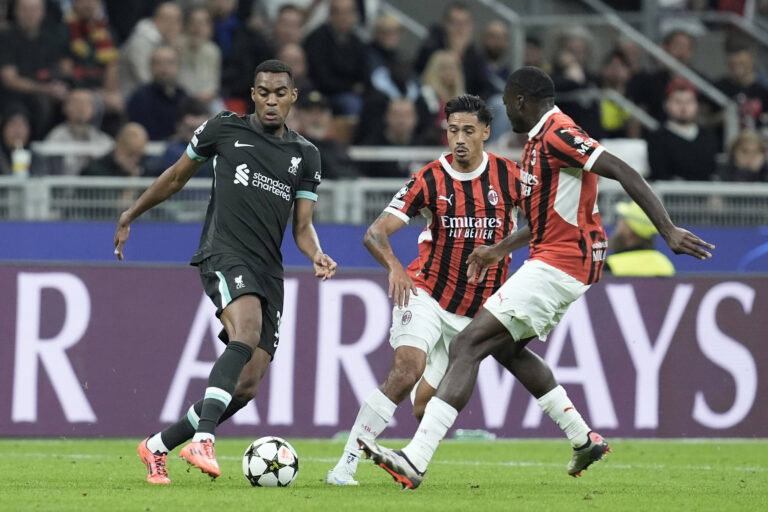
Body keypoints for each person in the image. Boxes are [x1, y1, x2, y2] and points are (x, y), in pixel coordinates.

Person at [359, 66, 715, 489]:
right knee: (508, 351)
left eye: (508, 103)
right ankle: (582, 438)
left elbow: (621, 169)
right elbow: (545, 217)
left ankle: (416, 459)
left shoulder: (559, 133)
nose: (507, 111)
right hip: (553, 258)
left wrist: (667, 229)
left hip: (563, 262)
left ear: (522, 101)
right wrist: (498, 249)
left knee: (467, 343)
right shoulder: (535, 143)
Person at [114, 59, 337, 484]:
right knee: (246, 330)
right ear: (253, 95)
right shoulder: (224, 129)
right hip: (224, 253)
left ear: (293, 97)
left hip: (268, 268)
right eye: (263, 92)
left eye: (279, 93)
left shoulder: (306, 155)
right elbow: (177, 176)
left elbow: (303, 226)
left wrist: (317, 254)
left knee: (247, 385)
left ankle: (156, 446)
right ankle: (204, 438)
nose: (271, 101)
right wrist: (132, 212)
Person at [647, 79, 718, 181]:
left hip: (704, 194)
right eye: (678, 102)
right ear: (666, 105)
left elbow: (712, 171)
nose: (684, 107)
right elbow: (660, 174)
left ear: (696, 105)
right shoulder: (658, 137)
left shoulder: (708, 136)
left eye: (689, 101)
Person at [44, 88, 113, 175]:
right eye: (76, 103)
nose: (81, 107)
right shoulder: (55, 137)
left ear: (93, 109)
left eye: (87, 103)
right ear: (65, 108)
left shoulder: (104, 140)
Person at [126, 45, 189, 140]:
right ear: (150, 67)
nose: (164, 68)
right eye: (158, 63)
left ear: (178, 66)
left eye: (170, 63)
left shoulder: (184, 95)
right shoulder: (140, 97)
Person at [605, 201, 675, 276]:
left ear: (629, 231)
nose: (618, 227)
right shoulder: (665, 265)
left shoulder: (610, 267)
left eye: (622, 222)